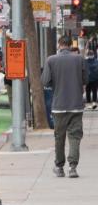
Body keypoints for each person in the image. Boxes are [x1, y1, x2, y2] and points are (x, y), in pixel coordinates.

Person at [41, 37, 88, 178]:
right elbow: (86, 80)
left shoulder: (51, 60)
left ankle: (59, 166)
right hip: (76, 105)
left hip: (58, 106)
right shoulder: (80, 59)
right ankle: (72, 167)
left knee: (59, 137)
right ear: (70, 45)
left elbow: (45, 81)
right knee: (74, 136)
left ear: (59, 45)